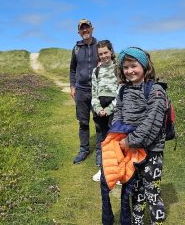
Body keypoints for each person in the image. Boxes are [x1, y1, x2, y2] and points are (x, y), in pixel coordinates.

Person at [102, 46, 167, 225]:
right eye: (126, 67)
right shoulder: (123, 90)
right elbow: (119, 113)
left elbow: (151, 122)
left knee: (152, 193)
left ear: (145, 66)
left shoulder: (156, 91)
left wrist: (130, 141)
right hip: (130, 151)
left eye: (134, 66)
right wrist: (117, 137)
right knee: (135, 190)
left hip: (151, 150)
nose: (130, 71)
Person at [70, 18, 98, 165]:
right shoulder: (76, 49)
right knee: (83, 122)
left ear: (92, 28)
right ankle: (84, 149)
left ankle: (100, 151)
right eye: (82, 28)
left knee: (100, 122)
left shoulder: (100, 46)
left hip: (97, 91)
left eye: (87, 27)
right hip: (81, 91)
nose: (85, 30)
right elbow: (72, 69)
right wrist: (72, 86)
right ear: (79, 32)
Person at [91, 40, 118, 181]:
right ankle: (103, 170)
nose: (103, 56)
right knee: (102, 140)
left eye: (105, 52)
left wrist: (109, 109)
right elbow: (94, 93)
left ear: (111, 52)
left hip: (114, 110)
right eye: (100, 54)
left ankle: (118, 172)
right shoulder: (96, 71)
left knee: (115, 141)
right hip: (99, 110)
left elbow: (121, 92)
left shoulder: (118, 69)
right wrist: (98, 109)